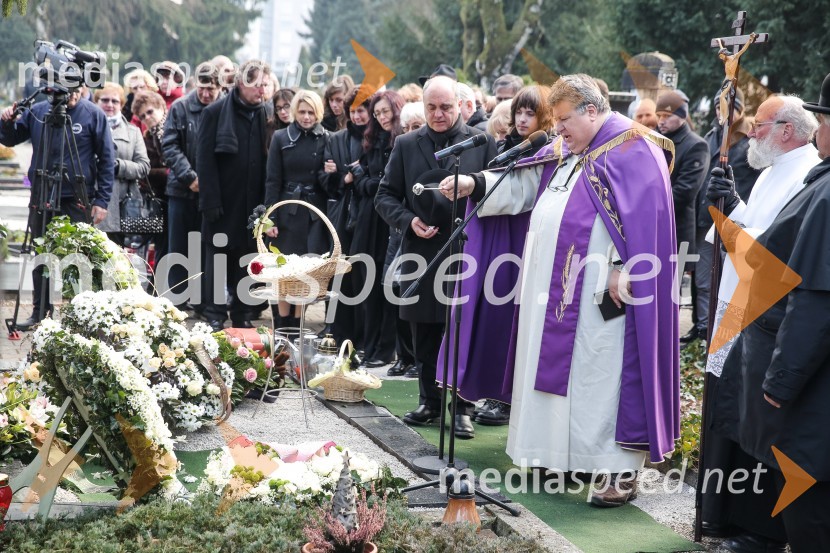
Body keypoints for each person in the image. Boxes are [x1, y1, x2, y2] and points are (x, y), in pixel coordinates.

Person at [438, 74, 678, 505]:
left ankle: (618, 472)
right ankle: (553, 456)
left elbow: (649, 219)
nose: (558, 129)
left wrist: (626, 268)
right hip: (550, 290)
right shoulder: (568, 147)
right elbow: (525, 185)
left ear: (592, 110)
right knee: (555, 370)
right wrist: (476, 184)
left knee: (602, 375)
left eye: (565, 119)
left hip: (604, 294)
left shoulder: (634, 147)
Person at [710, 77, 830, 553]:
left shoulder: (819, 183)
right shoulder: (809, 177)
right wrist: (732, 210)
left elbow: (812, 292)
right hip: (775, 337)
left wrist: (781, 379)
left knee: (809, 503)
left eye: (824, 120)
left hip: (800, 364)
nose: (821, 128)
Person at [374, 75, 497, 439]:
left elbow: (496, 194)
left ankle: (462, 408)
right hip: (422, 250)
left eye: (446, 107)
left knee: (462, 330)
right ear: (424, 107)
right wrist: (408, 221)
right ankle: (428, 401)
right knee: (424, 331)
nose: (439, 114)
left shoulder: (481, 141)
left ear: (460, 105)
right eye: (432, 107)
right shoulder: (407, 144)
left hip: (469, 250)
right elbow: (385, 196)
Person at [443, 84, 552, 428]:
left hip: (524, 243)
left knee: (511, 316)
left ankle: (504, 398)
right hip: (498, 241)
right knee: (489, 311)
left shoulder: (548, 152)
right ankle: (484, 393)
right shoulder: (506, 147)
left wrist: (477, 184)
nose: (522, 118)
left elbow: (524, 194)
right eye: (518, 111)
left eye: (530, 113)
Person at [0, 87, 114, 330]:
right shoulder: (39, 111)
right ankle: (40, 312)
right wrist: (7, 122)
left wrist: (102, 201)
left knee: (78, 257)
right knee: (41, 254)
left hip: (77, 198)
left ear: (82, 88)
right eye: (65, 90)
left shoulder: (94, 115)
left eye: (74, 90)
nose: (70, 96)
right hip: (42, 194)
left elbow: (106, 159)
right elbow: (10, 139)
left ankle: (80, 314)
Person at [197, 60, 272, 331]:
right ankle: (215, 313)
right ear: (242, 83)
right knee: (218, 257)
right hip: (222, 200)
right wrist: (210, 200)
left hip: (251, 203)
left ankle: (242, 312)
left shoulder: (266, 113)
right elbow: (204, 160)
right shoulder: (215, 112)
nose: (262, 89)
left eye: (265, 84)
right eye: (257, 84)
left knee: (246, 258)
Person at [691, 88, 760, 344]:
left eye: (728, 107)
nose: (723, 112)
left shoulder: (749, 140)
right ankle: (704, 329)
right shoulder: (712, 136)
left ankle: (726, 333)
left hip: (737, 218)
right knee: (705, 278)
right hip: (707, 217)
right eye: (719, 107)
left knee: (730, 279)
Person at [263, 89, 330, 327]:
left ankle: (297, 322)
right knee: (284, 269)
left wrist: (330, 172)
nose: (306, 117)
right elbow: (272, 180)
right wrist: (269, 219)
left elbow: (328, 183)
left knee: (305, 268)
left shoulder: (326, 138)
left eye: (311, 112)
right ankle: (282, 323)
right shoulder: (281, 137)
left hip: (313, 212)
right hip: (286, 209)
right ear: (294, 112)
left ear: (318, 113)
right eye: (302, 111)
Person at [162, 61, 223, 312]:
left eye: (212, 89)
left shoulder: (224, 110)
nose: (206, 94)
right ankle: (177, 300)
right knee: (178, 246)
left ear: (221, 87)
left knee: (207, 248)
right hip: (180, 189)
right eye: (202, 88)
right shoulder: (181, 108)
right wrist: (189, 177)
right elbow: (170, 145)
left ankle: (203, 300)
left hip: (213, 193)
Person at [323, 86, 370, 349]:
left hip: (367, 213)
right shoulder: (337, 139)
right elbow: (326, 181)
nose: (357, 116)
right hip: (342, 213)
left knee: (362, 273)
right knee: (339, 272)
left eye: (361, 110)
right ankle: (338, 332)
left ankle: (362, 337)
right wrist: (341, 177)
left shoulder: (378, 139)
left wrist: (354, 177)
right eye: (353, 111)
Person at [93, 83, 151, 246]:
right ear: (96, 102)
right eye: (104, 100)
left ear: (122, 104)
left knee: (115, 261)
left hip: (121, 207)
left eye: (115, 101)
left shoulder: (133, 132)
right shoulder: (86, 128)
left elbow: (144, 167)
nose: (109, 105)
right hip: (90, 202)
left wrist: (117, 166)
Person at [132, 92, 171, 268]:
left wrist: (151, 173)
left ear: (161, 108)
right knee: (161, 246)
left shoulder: (173, 129)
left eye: (149, 112)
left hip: (177, 196)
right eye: (142, 116)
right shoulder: (147, 137)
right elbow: (144, 169)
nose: (147, 118)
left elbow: (171, 169)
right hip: (158, 200)